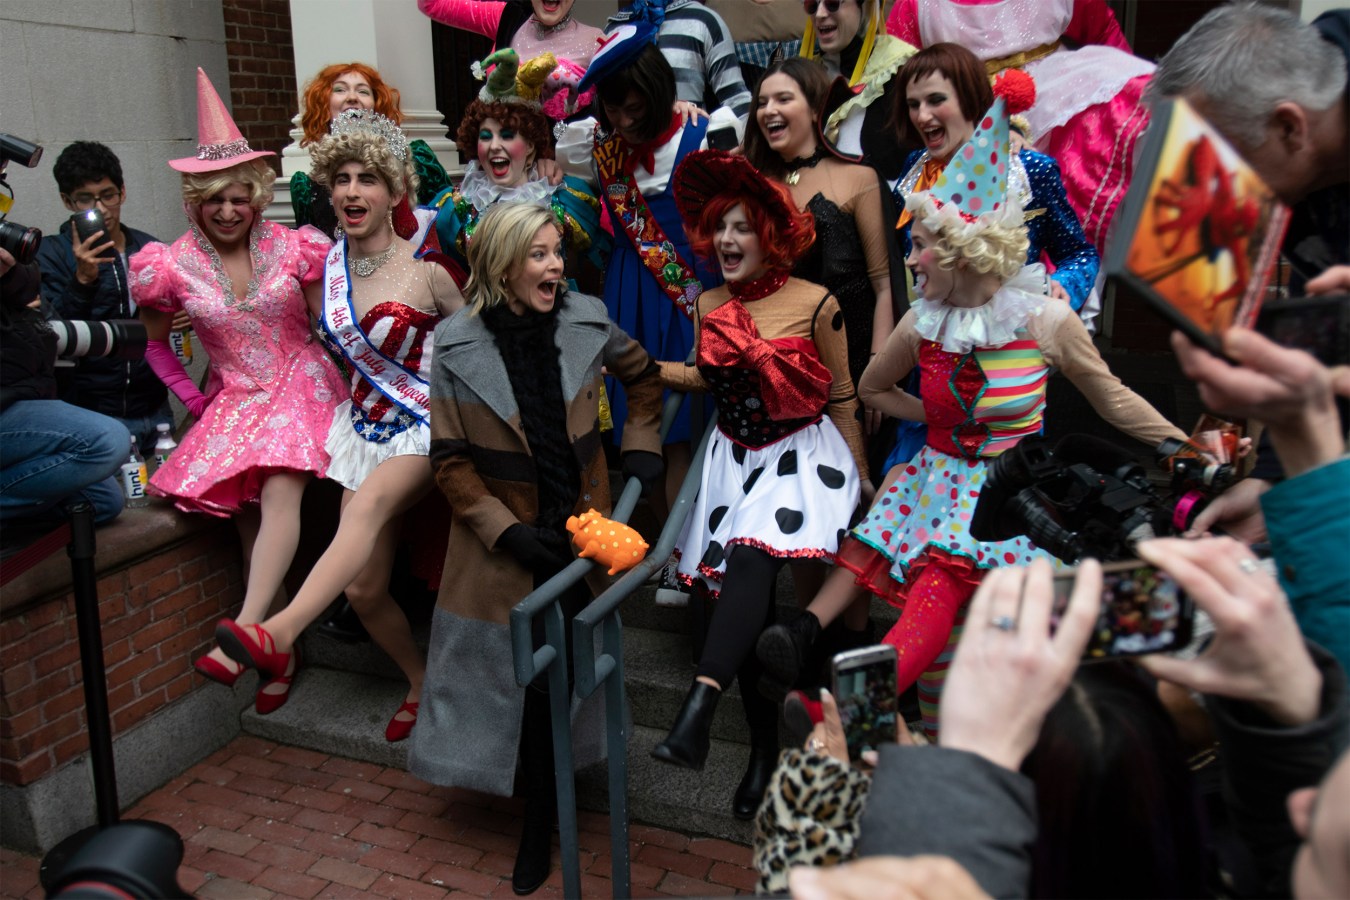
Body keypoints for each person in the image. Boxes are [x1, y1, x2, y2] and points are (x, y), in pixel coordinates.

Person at [754, 101, 1183, 738]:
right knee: (937, 664)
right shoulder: (920, 323)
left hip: (1017, 501)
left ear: (961, 249)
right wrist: (936, 418)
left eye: (920, 245)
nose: (910, 259)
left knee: (1008, 664)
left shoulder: (1043, 320)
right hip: (940, 491)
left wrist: (1182, 448)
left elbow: (1112, 398)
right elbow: (873, 389)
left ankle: (847, 714)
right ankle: (879, 730)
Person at [410, 201, 663, 894]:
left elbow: (644, 377)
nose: (557, 266)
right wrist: (506, 530)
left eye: (558, 252)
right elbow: (450, 461)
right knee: (518, 682)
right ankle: (536, 813)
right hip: (504, 546)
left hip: (580, 535)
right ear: (502, 265)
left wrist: (641, 445)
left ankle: (541, 819)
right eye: (540, 254)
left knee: (561, 677)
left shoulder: (587, 319)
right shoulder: (455, 344)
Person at [215, 111, 464, 741]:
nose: (353, 192)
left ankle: (276, 631)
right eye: (342, 179)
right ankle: (420, 680)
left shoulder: (431, 268)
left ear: (394, 190)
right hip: (362, 432)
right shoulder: (322, 270)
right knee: (363, 590)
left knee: (367, 508)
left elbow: (480, 351)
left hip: (423, 426)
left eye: (368, 179)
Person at [649, 150, 871, 822]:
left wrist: (861, 477)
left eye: (741, 227)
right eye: (719, 227)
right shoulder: (709, 303)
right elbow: (702, 375)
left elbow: (841, 394)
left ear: (770, 235)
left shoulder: (817, 303)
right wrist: (643, 366)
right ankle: (761, 752)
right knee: (738, 602)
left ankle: (704, 711)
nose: (726, 239)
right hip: (734, 458)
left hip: (802, 457)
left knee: (762, 570)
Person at [130, 69, 347, 712]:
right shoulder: (168, 266)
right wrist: (197, 402)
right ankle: (281, 654)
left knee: (280, 490)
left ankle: (247, 634)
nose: (227, 211)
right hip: (233, 398)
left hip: (301, 378)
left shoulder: (296, 246)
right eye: (213, 200)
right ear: (193, 202)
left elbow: (329, 326)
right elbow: (154, 346)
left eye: (238, 198)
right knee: (251, 529)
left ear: (255, 196)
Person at [1149, 3, 1350, 542]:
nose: (1212, 191)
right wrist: (1274, 481)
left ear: (1289, 127)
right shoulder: (1304, 117)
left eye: (1221, 164)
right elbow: (1326, 342)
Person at [557, 23, 735, 599]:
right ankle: (674, 546)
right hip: (629, 295)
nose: (623, 119)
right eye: (613, 108)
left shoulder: (708, 132)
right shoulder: (596, 148)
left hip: (693, 294)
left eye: (634, 106)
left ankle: (692, 552)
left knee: (690, 428)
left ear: (658, 90)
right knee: (646, 427)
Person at [886, 0, 1156, 252]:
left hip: (1058, 108)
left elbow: (1102, 31)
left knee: (1060, 226)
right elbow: (895, 71)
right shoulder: (916, 5)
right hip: (963, 120)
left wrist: (1129, 97)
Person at [742, 58, 897, 422]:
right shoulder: (751, 186)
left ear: (815, 108)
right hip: (781, 371)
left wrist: (878, 373)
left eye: (783, 99)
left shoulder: (860, 178)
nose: (769, 110)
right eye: (761, 103)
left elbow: (885, 286)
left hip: (855, 370)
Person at [893, 44, 1099, 315]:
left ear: (969, 100)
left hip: (1016, 333)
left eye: (935, 100)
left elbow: (1080, 255)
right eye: (913, 104)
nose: (922, 116)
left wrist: (1062, 285)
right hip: (935, 333)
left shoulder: (1030, 171)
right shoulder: (914, 170)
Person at [420, 49, 607, 289]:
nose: (494, 146)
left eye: (507, 135)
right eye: (486, 136)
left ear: (530, 145)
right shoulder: (456, 208)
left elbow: (591, 270)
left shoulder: (563, 198)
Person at [35, 142, 170, 451]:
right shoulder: (50, 254)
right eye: (86, 198)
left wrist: (182, 315)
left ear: (122, 192)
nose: (101, 208)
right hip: (90, 416)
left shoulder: (150, 249)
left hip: (155, 408)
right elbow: (54, 336)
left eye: (108, 195)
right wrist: (83, 279)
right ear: (67, 201)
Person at [1, 251, 129, 530]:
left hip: (22, 393)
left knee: (103, 502)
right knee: (107, 440)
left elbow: (29, 287)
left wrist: (9, 272)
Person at [289, 62, 451, 238]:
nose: (352, 97)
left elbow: (450, 223)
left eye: (363, 91)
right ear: (324, 105)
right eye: (340, 90)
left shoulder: (419, 161)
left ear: (376, 105)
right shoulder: (306, 188)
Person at [797, 0, 918, 182]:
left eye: (832, 3)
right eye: (812, 5)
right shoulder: (805, 73)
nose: (820, 14)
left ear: (864, 5)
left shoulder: (900, 68)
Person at [417, 0, 602, 119]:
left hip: (559, 166)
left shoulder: (596, 41)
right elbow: (431, 4)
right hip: (499, 158)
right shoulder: (508, 17)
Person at [605, 0, 753, 120]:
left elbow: (737, 100)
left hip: (689, 139)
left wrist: (742, 144)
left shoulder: (703, 20)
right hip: (626, 144)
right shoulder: (613, 30)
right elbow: (603, 105)